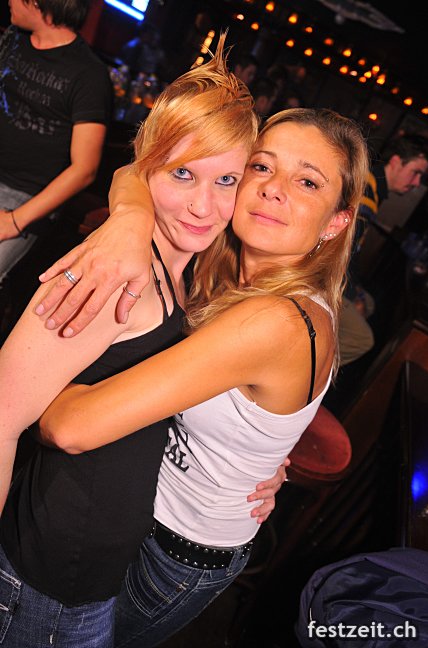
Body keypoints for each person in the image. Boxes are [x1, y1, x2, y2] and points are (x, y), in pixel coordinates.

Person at [35, 106, 369, 647]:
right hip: (146, 511)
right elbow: (133, 172)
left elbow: (69, 427)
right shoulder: (224, 265)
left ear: (336, 221)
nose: (274, 189)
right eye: (262, 167)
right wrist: (130, 220)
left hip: (170, 553)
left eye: (307, 181)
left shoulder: (277, 320)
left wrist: (41, 371)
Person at [0, 37, 285, 648]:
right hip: (45, 587)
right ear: (150, 165)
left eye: (227, 179)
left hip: (89, 580)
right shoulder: (116, 275)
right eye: (183, 174)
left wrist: (259, 463)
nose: (204, 205)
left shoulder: (189, 275)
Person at [0, 0, 112, 290]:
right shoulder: (14, 38)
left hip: (23, 199)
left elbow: (84, 169)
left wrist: (14, 221)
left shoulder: (89, 75)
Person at [339, 133, 428, 366]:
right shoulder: (367, 191)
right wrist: (353, 295)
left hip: (335, 268)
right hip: (323, 272)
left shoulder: (373, 184)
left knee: (370, 303)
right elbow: (342, 252)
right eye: (416, 172)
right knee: (362, 339)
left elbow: (352, 249)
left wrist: (358, 293)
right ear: (396, 162)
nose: (417, 183)